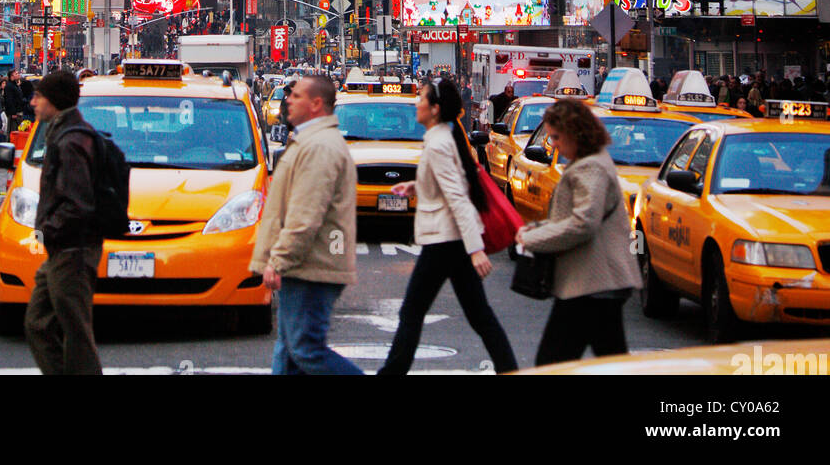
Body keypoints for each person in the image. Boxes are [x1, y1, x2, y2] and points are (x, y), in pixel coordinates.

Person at [378, 78, 517, 376]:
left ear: (435, 109)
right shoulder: (442, 137)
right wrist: (416, 186)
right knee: (479, 316)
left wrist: (477, 249)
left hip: (444, 240)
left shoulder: (440, 143)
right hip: (451, 242)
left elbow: (458, 197)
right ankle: (509, 369)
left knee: (412, 313)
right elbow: (448, 185)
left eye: (421, 98)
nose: (417, 102)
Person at [250, 76, 362, 376]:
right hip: (306, 264)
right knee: (288, 354)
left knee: (304, 349)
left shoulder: (319, 147)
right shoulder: (308, 141)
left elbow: (305, 215)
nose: (288, 99)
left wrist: (279, 259)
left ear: (315, 104)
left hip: (312, 266)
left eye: (296, 95)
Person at [517, 98, 641, 366]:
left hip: (590, 283)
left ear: (575, 132)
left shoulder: (590, 167)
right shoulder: (592, 161)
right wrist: (539, 228)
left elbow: (583, 222)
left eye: (557, 137)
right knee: (611, 362)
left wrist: (533, 238)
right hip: (599, 282)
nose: (553, 144)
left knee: (551, 365)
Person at [24, 70, 103, 376]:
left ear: (53, 101)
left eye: (39, 96)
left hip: (72, 249)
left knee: (76, 332)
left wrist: (48, 230)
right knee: (37, 322)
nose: (32, 103)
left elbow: (77, 202)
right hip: (63, 249)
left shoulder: (71, 140)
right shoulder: (61, 132)